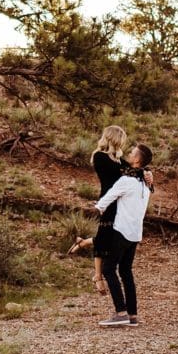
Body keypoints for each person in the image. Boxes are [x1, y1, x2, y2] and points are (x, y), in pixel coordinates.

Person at [68, 126, 152, 295]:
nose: (124, 143)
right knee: (105, 237)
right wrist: (143, 172)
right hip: (108, 202)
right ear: (114, 139)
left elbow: (136, 170)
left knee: (111, 236)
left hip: (120, 202)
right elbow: (130, 171)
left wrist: (148, 174)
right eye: (121, 139)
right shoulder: (100, 157)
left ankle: (83, 242)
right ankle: (98, 276)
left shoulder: (120, 160)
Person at [94, 143, 153, 327]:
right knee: (126, 271)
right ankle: (133, 314)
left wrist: (96, 209)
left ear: (136, 160)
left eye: (133, 152)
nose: (130, 153)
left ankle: (120, 312)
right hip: (136, 233)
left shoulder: (127, 181)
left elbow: (107, 198)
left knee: (109, 269)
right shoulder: (145, 182)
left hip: (121, 230)